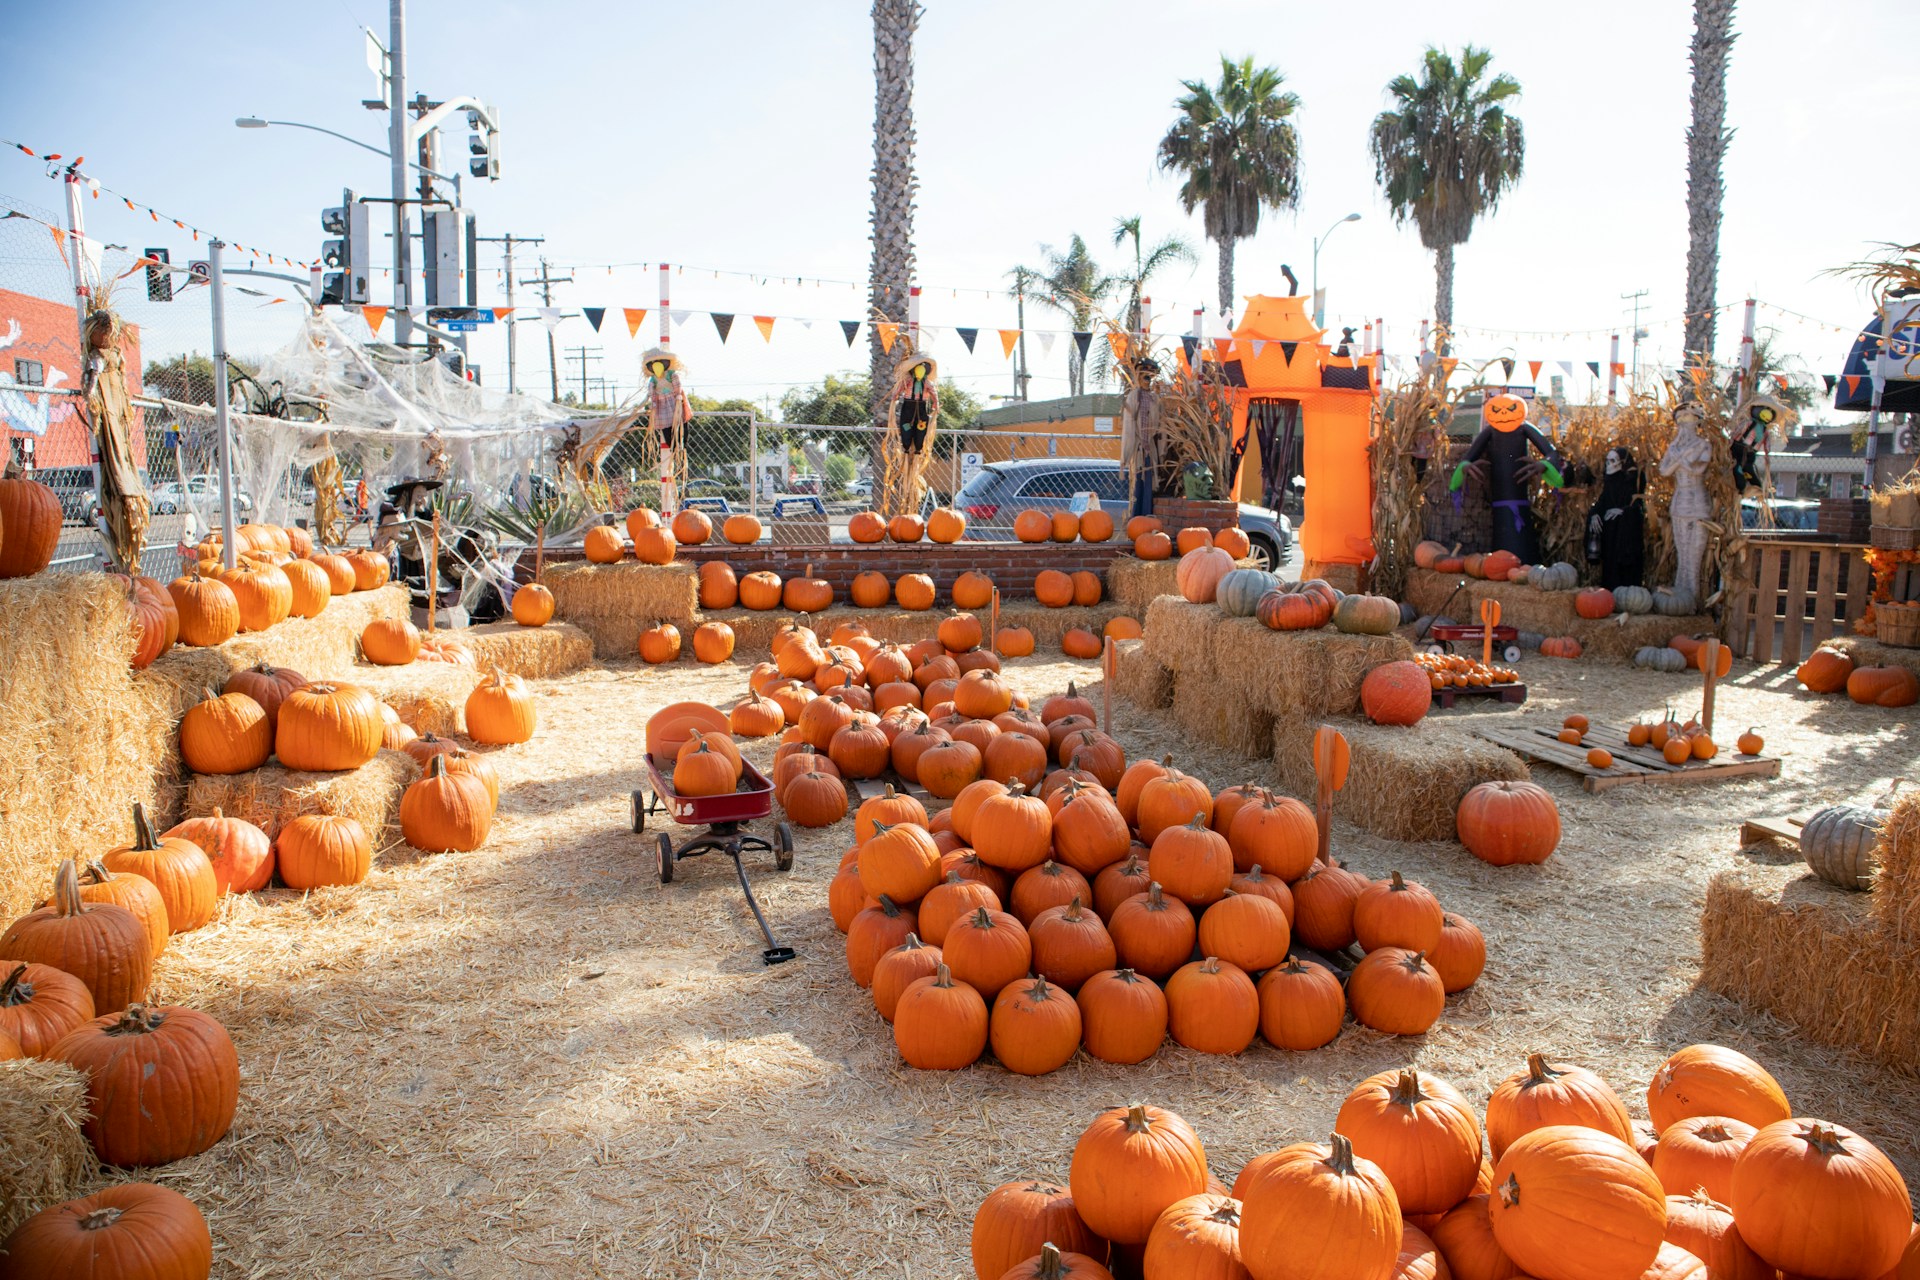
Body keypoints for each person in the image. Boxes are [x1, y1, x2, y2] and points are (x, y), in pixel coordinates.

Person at [1450, 393, 1565, 562]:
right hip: (1499, 497)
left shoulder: (1524, 428)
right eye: (1497, 410)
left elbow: (1551, 453)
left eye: (1511, 408)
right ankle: (1504, 562)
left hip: (1519, 496)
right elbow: (1468, 457)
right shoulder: (1490, 431)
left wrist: (1543, 465)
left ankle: (1524, 562)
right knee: (1502, 531)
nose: (1504, 413)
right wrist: (1466, 466)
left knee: (1521, 537)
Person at [1585, 446, 1646, 588]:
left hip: (1625, 534)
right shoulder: (1610, 480)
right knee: (1610, 567)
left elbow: (1638, 506)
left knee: (1626, 572)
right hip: (1610, 532)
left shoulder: (1635, 479)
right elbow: (1602, 502)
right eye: (1607, 461)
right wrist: (1594, 514)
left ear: (1622, 462)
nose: (1608, 464)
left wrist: (1623, 511)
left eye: (1612, 461)